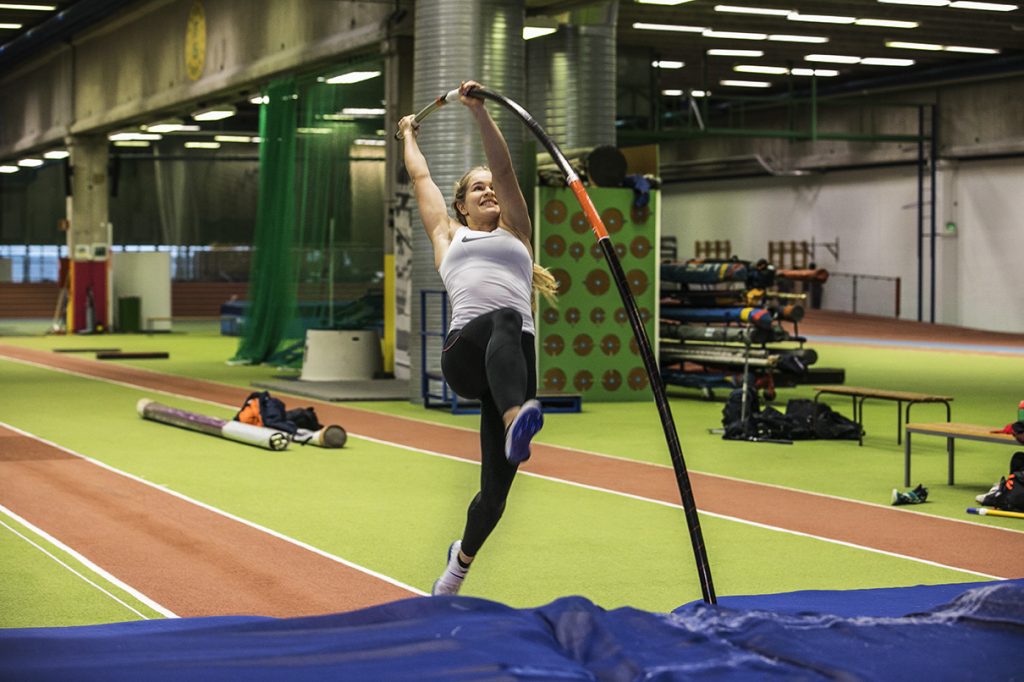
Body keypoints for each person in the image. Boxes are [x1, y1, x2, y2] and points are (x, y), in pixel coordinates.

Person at [398, 81, 558, 596]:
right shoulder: (449, 237)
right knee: (506, 317)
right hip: (465, 353)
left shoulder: (518, 233)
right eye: (477, 188)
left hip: (514, 362)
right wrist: (407, 133)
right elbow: (420, 175)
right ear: (461, 208)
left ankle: (457, 566)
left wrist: (479, 113)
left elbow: (507, 169)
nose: (490, 190)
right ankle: (517, 420)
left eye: (492, 187)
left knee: (495, 495)